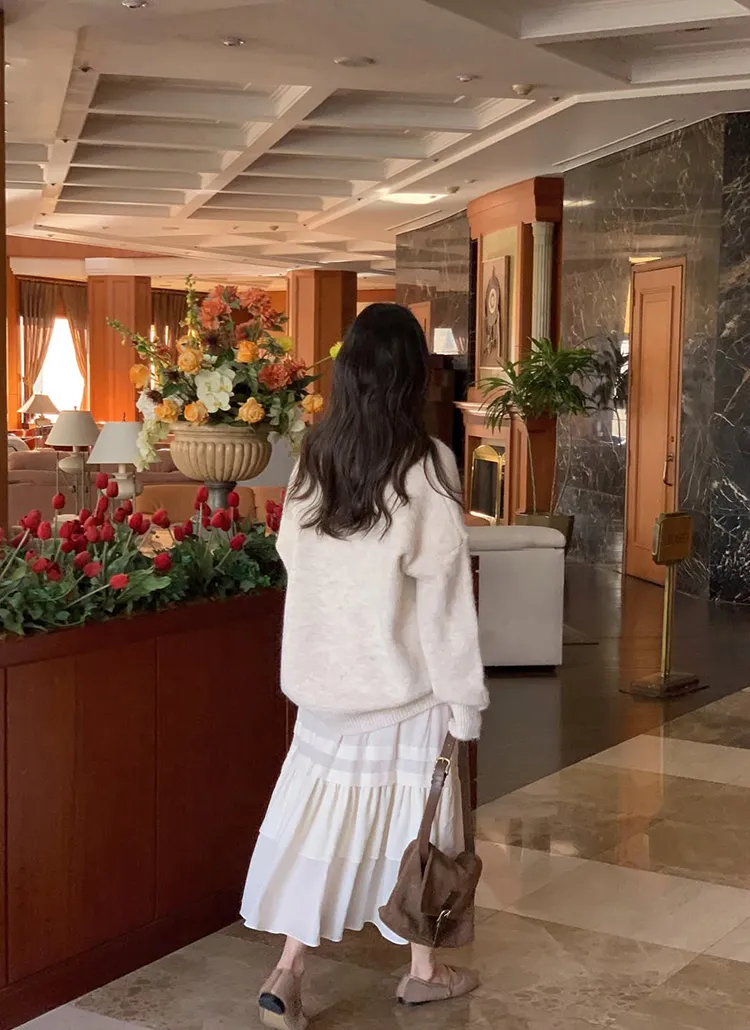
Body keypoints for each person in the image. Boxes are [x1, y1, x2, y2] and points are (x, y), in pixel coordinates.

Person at [241, 303, 489, 1029]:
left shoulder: (314, 459)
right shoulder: (427, 465)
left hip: (324, 688)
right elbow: (445, 600)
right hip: (404, 690)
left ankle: (287, 972)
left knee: (319, 825)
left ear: (346, 371)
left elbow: (293, 556)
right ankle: (423, 971)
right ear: (414, 376)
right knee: (421, 828)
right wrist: (464, 702)